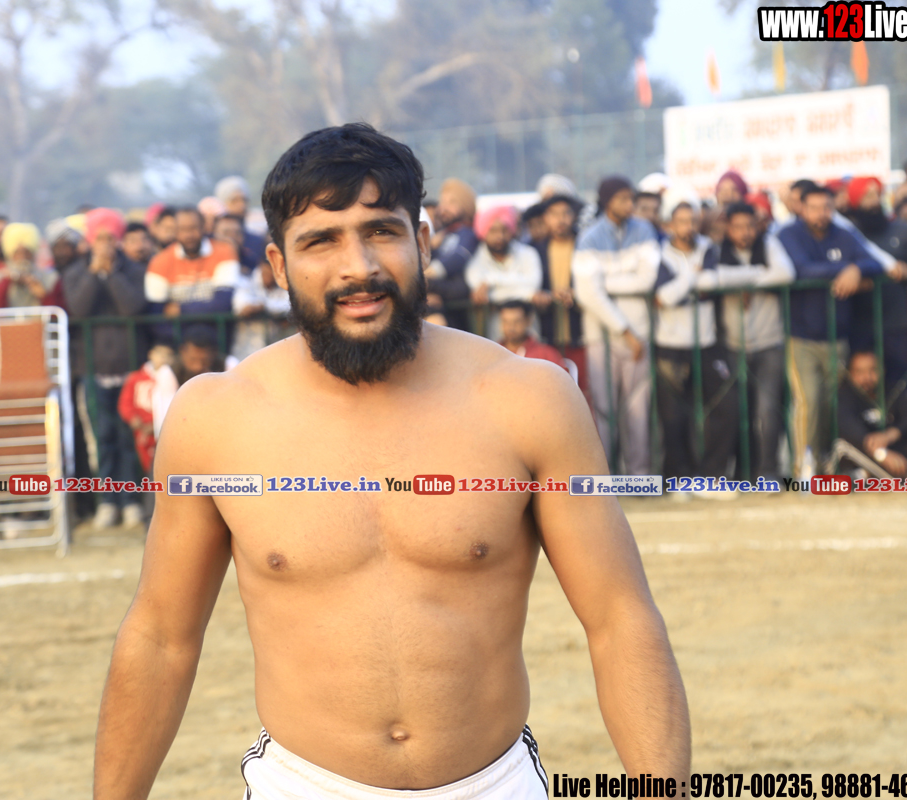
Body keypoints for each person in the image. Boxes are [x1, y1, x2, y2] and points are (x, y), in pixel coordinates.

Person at [93, 121, 689, 800]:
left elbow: (620, 620)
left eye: (381, 231)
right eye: (321, 240)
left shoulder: (529, 399)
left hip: (495, 784)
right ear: (278, 266)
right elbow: (161, 638)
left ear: (423, 241)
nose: (358, 267)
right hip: (303, 786)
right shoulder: (215, 418)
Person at [777, 185, 882, 473]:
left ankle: (826, 461)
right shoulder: (788, 234)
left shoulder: (842, 233)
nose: (821, 214)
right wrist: (846, 269)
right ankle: (803, 466)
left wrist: (857, 270)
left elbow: (873, 262)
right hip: (801, 337)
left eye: (826, 207)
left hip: (838, 336)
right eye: (814, 208)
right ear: (802, 208)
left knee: (831, 403)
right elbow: (801, 268)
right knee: (808, 401)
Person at [63, 207, 147, 530]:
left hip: (128, 365)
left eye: (111, 238)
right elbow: (79, 308)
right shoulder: (76, 272)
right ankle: (108, 501)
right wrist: (93, 274)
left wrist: (111, 274)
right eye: (99, 238)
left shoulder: (134, 270)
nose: (105, 245)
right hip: (93, 366)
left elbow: (131, 307)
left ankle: (131, 501)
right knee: (102, 436)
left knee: (128, 436)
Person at [573, 176, 661, 476]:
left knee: (638, 410)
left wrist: (605, 283)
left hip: (640, 334)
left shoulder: (644, 230)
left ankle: (639, 475)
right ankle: (606, 478)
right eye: (623, 199)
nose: (629, 204)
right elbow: (587, 293)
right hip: (602, 337)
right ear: (607, 201)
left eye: (630, 198)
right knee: (604, 409)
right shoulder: (589, 237)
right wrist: (623, 329)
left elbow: (648, 279)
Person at [703, 202, 795, 482]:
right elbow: (708, 279)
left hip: (769, 344)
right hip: (732, 345)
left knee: (767, 412)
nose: (744, 233)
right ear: (727, 228)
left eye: (749, 226)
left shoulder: (770, 245)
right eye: (738, 227)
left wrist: (741, 282)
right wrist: (756, 276)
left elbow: (785, 273)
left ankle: (767, 472)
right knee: (735, 413)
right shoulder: (716, 251)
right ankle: (740, 473)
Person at [653, 202, 738, 482]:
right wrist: (692, 276)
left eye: (692, 220)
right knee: (674, 417)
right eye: (681, 221)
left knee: (726, 406)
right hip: (671, 345)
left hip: (707, 342)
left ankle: (712, 474)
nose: (688, 227)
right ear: (670, 225)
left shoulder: (707, 248)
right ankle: (679, 477)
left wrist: (683, 286)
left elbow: (710, 284)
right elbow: (663, 297)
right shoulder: (660, 253)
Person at [843, 176, 907, 388]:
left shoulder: (904, 230)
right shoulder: (847, 234)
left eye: (876, 194)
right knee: (861, 385)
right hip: (859, 323)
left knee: (900, 384)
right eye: (866, 196)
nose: (873, 201)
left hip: (896, 323)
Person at [832, 350, 907, 478]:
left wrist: (890, 435)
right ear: (850, 374)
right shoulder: (845, 395)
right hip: (865, 452)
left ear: (882, 370)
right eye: (859, 372)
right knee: (846, 441)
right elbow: (847, 426)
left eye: (872, 370)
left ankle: (873, 475)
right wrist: (881, 454)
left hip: (895, 451)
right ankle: (903, 476)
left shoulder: (892, 391)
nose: (867, 377)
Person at [144, 206, 239, 329]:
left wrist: (180, 309)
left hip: (217, 333)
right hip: (175, 336)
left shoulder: (224, 251)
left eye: (193, 228)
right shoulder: (159, 261)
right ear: (175, 231)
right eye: (183, 229)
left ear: (203, 227)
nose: (188, 235)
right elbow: (156, 316)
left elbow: (222, 304)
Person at [465, 206, 543, 340]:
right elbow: (484, 294)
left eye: (504, 230)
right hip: (495, 333)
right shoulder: (474, 260)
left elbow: (533, 283)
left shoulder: (528, 254)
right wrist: (528, 294)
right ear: (484, 232)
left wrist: (490, 282)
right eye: (493, 230)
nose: (500, 236)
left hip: (529, 331)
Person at [117, 343, 179, 477]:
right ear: (151, 354)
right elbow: (125, 402)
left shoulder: (173, 378)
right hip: (140, 432)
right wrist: (133, 419)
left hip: (162, 431)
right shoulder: (136, 378)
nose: (163, 358)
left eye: (168, 355)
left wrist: (156, 425)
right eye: (160, 354)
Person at [425, 178, 479, 330]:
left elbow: (458, 258)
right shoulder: (442, 235)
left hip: (459, 313)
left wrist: (427, 278)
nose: (444, 207)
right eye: (443, 202)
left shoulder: (467, 233)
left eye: (452, 202)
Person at [534, 194, 584, 354]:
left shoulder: (584, 246)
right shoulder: (535, 250)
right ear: (545, 218)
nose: (560, 220)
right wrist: (547, 296)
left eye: (565, 213)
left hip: (581, 333)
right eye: (554, 214)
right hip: (548, 334)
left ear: (574, 216)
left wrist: (577, 294)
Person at [0, 223, 65, 310]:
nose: (22, 257)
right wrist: (9, 280)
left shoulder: (49, 278)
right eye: (17, 253)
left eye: (27, 252)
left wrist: (42, 295)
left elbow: (56, 312)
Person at [231, 261, 291, 362]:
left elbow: (288, 306)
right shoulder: (248, 281)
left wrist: (264, 306)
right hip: (246, 351)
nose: (269, 275)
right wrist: (255, 308)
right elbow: (241, 306)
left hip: (274, 351)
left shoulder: (283, 283)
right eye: (266, 271)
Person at [216, 175, 267, 268]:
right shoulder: (212, 240)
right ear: (223, 203)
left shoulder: (257, 241)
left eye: (244, 200)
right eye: (234, 200)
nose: (241, 205)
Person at [497, 301, 566, 368]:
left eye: (517, 322)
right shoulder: (494, 353)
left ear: (528, 321)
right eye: (506, 322)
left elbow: (561, 375)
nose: (511, 327)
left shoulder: (546, 354)